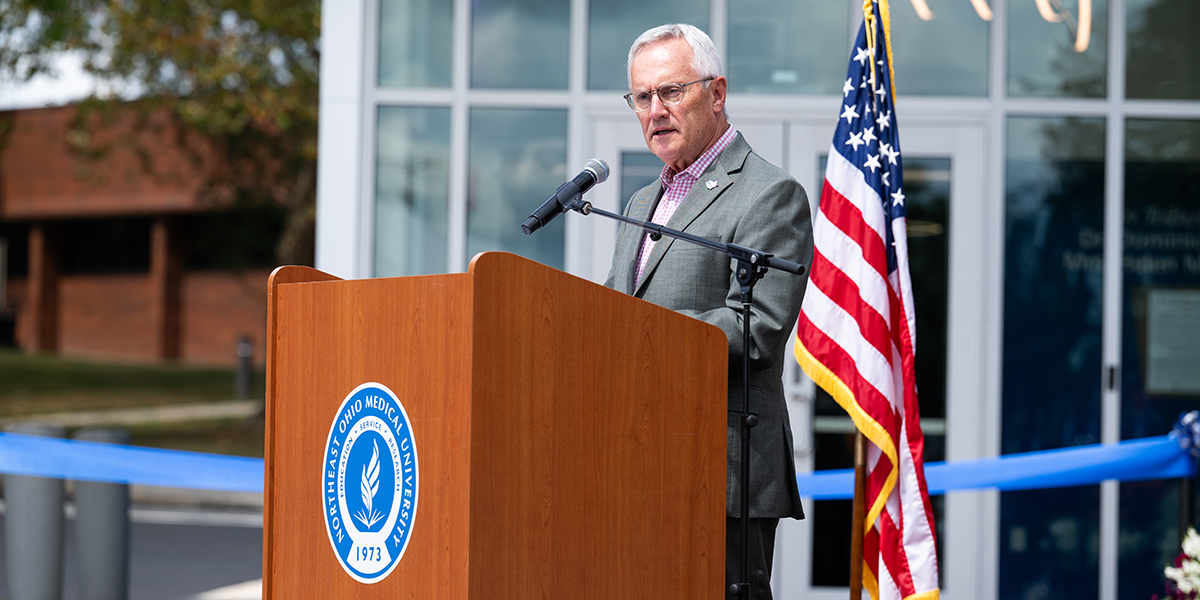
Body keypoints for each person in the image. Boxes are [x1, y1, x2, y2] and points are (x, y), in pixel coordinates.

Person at [604, 23, 814, 599]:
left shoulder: (771, 194)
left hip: (719, 472)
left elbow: (757, 326)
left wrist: (641, 342)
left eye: (671, 91)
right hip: (638, 462)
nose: (655, 110)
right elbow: (608, 314)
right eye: (642, 98)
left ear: (716, 93)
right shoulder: (641, 203)